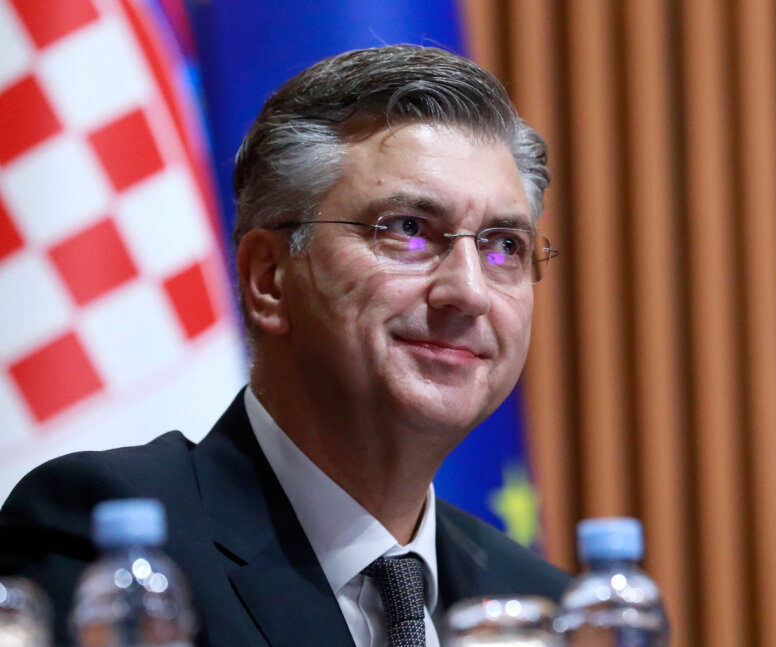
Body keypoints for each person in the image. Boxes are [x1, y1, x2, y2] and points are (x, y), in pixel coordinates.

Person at [0, 45, 567, 646]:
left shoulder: (540, 605)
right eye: (407, 230)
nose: (469, 292)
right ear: (268, 279)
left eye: (503, 246)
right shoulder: (118, 552)